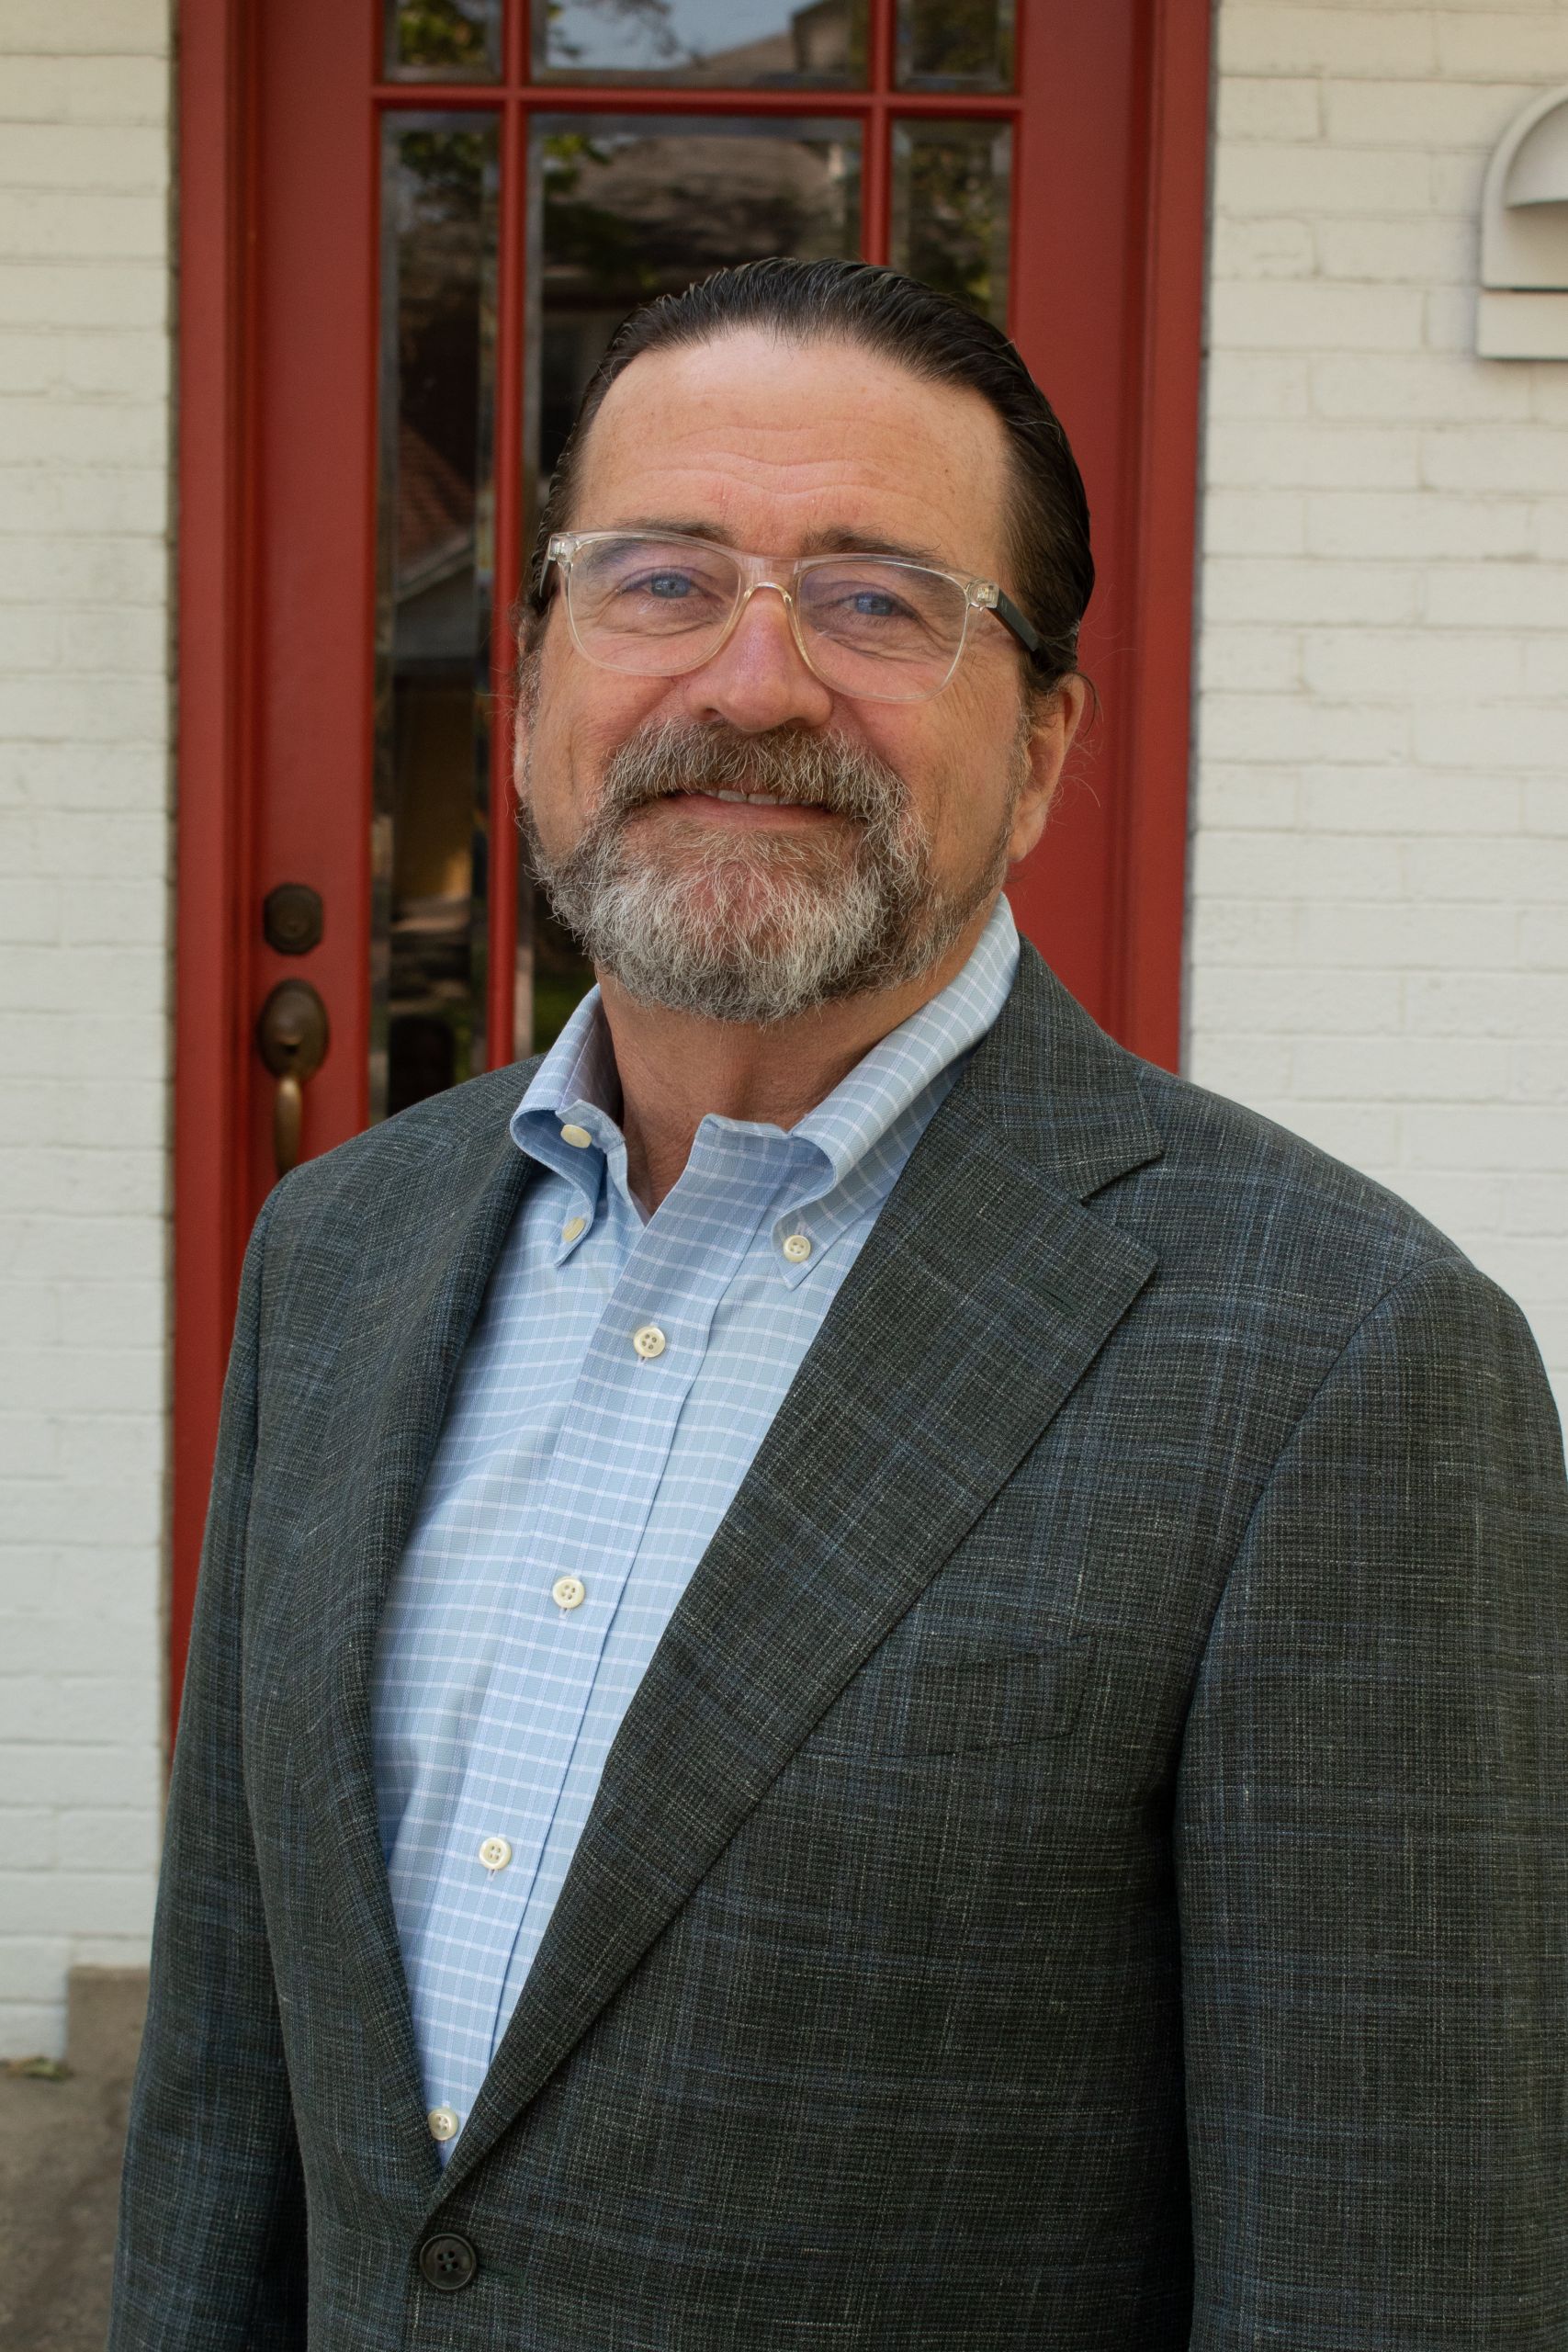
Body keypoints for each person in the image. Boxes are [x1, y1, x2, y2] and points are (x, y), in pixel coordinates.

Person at [110, 258, 1567, 2351]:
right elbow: (224, 2097)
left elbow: (1391, 2263)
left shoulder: (1340, 1359)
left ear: (1041, 746)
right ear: (531, 692)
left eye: (877, 601)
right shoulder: (339, 1249)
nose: (752, 681)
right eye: (659, 580)